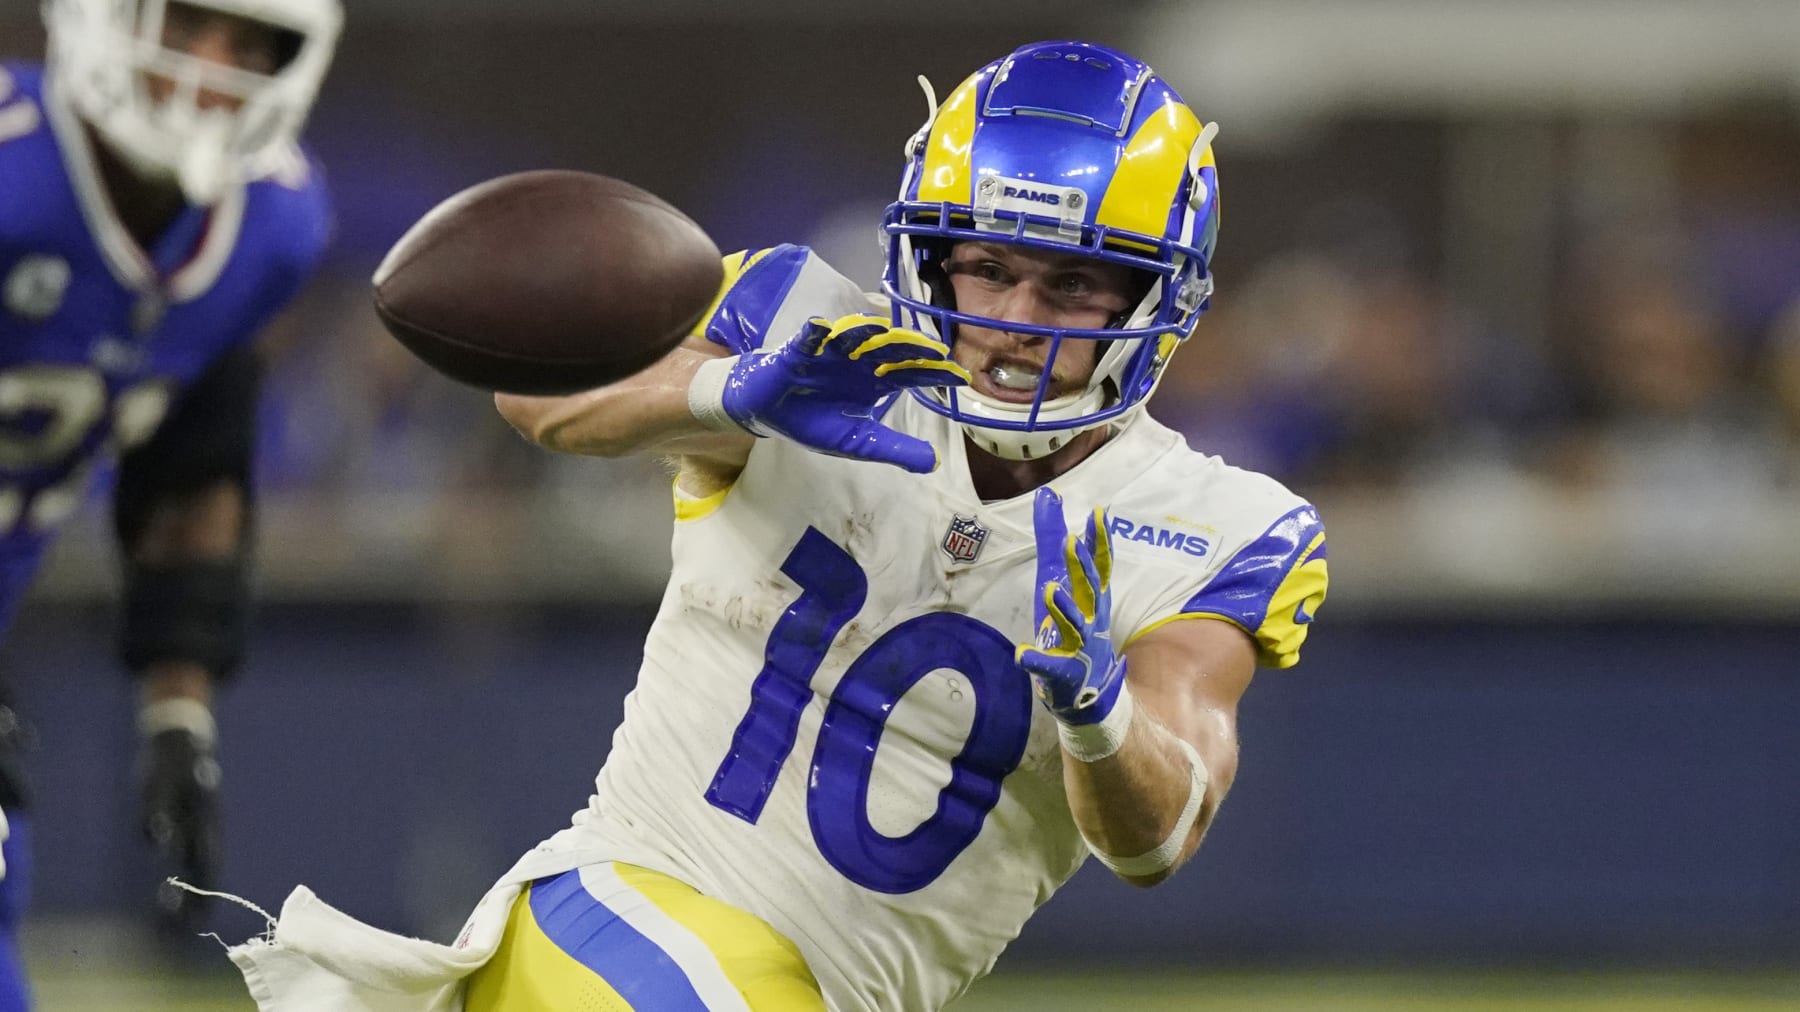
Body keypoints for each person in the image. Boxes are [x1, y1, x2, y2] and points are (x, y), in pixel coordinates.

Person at [224, 39, 1329, 1012]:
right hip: (621, 914)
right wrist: (724, 396)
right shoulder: (805, 328)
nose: (1014, 324)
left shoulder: (1221, 524)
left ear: (1152, 302)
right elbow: (539, 393)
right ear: (932, 255)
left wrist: (1097, 715)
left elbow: (1161, 835)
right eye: (987, 268)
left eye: (1072, 286)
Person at [0, 0, 339, 999]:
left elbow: (193, 464)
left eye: (248, 43)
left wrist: (177, 708)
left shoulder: (270, 229)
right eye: (187, 27)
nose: (214, 70)